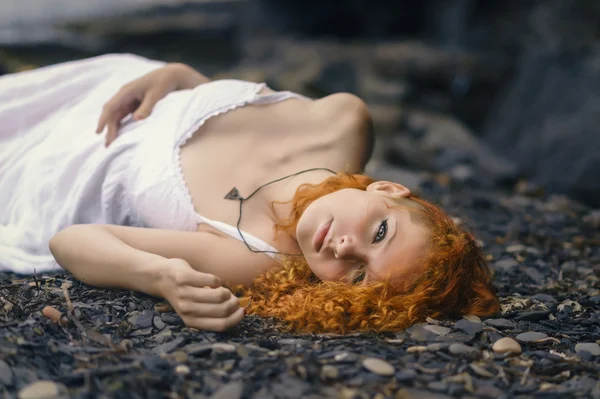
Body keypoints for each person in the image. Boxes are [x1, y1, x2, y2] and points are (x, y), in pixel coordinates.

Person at [0, 54, 500, 334]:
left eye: (358, 275)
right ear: (389, 188)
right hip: (115, 84)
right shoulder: (344, 119)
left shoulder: (258, 255)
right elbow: (234, 106)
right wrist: (186, 78)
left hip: (59, 164)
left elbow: (72, 240)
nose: (346, 249)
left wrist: (160, 275)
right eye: (380, 231)